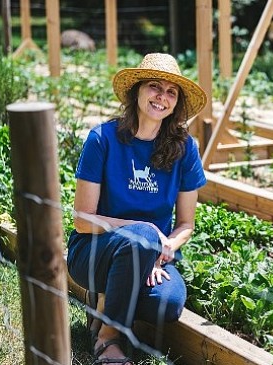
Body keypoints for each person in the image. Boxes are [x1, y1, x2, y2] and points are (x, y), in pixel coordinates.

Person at [66, 53, 208, 365]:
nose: (162, 97)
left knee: (167, 304)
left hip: (153, 253)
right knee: (141, 235)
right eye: (155, 86)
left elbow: (186, 224)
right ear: (137, 91)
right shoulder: (103, 139)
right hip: (93, 249)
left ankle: (105, 302)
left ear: (177, 103)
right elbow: (82, 221)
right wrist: (144, 234)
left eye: (171, 92)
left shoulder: (185, 149)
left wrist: (163, 246)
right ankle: (107, 339)